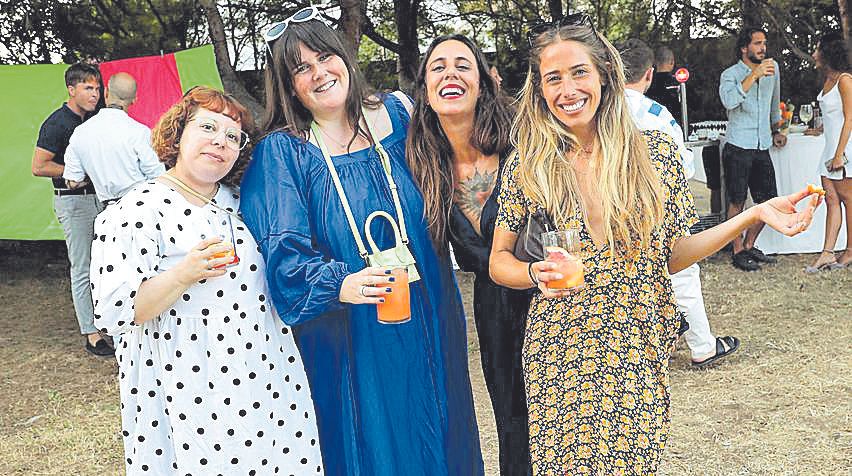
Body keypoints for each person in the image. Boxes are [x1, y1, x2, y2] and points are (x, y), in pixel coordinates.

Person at [489, 14, 821, 474]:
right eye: (553, 78)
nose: (568, 90)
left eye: (579, 72)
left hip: (637, 340)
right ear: (541, 90)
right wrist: (532, 274)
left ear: (605, 74)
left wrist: (754, 213)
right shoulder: (531, 163)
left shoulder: (655, 153)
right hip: (561, 347)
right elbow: (498, 262)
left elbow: (674, 254)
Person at [240, 9, 483, 476]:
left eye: (326, 57)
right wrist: (340, 284)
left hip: (429, 303)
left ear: (346, 59)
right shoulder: (284, 153)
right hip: (353, 326)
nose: (319, 73)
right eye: (301, 68)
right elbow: (283, 256)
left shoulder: (399, 114)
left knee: (440, 416)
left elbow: (466, 169)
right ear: (290, 86)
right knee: (375, 437)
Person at [89, 86, 324, 474]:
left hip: (264, 371)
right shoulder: (136, 210)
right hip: (188, 383)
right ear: (178, 133)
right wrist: (185, 273)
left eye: (233, 136)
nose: (220, 141)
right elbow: (119, 312)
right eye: (208, 127)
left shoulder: (245, 200)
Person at [406, 34, 531, 475]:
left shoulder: (525, 139)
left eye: (463, 64)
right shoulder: (419, 164)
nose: (450, 73)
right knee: (513, 424)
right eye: (438, 67)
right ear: (423, 89)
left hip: (551, 292)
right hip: (493, 304)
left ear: (483, 81)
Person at [618, 38, 739, 367]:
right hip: (656, 208)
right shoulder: (656, 114)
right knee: (681, 273)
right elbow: (684, 166)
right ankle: (702, 346)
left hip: (609, 210)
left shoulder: (597, 110)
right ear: (649, 74)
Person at [31, 63, 111, 357]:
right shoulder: (57, 123)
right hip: (73, 200)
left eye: (98, 88)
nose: (95, 94)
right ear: (71, 89)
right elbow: (38, 166)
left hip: (99, 199)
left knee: (104, 263)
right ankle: (90, 332)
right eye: (88, 88)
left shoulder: (94, 119)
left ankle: (107, 321)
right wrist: (78, 172)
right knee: (83, 267)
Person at [719, 26, 787, 271]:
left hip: (762, 145)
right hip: (738, 145)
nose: (763, 48)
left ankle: (749, 245)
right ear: (744, 48)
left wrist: (776, 129)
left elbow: (774, 102)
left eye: (764, 43)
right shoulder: (730, 74)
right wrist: (753, 75)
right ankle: (737, 251)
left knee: (769, 201)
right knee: (737, 201)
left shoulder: (773, 68)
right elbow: (729, 101)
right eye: (757, 43)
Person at [63, 72, 164, 206]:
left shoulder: (80, 132)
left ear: (106, 93)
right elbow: (158, 175)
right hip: (142, 206)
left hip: (108, 212)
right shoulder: (140, 132)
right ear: (134, 99)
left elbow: (73, 181)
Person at [806, 32, 852, 272]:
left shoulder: (845, 79)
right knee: (831, 200)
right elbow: (833, 115)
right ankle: (827, 253)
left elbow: (850, 118)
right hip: (829, 149)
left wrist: (839, 155)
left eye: (817, 49)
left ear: (827, 53)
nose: (814, 54)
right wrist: (819, 129)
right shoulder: (828, 81)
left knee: (848, 200)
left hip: (844, 152)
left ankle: (850, 252)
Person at [646, 45, 682, 124]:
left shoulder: (647, 84)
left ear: (655, 62)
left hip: (652, 125)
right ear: (672, 62)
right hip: (676, 127)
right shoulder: (679, 84)